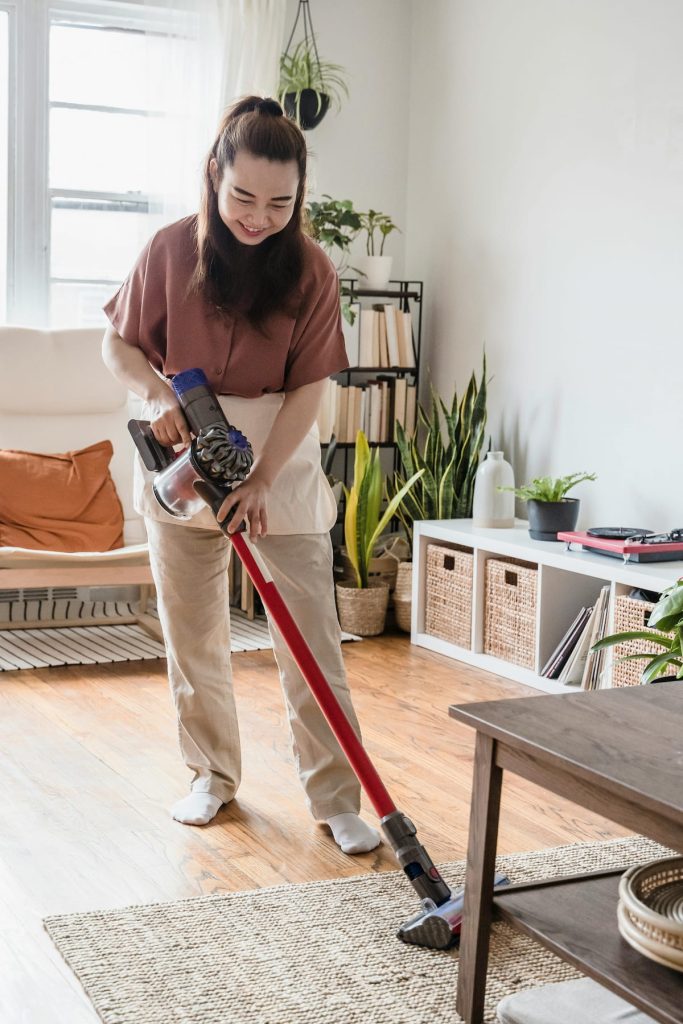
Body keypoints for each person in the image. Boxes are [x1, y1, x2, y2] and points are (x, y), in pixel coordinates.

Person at [101, 95, 381, 855]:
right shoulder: (167, 250)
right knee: (194, 633)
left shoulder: (312, 269)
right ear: (213, 178)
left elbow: (309, 386)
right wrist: (158, 394)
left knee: (310, 640)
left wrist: (261, 478)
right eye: (243, 197)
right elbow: (118, 347)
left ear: (299, 200)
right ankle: (210, 777)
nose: (259, 216)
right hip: (185, 451)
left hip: (276, 453)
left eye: (280, 203)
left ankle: (334, 796)